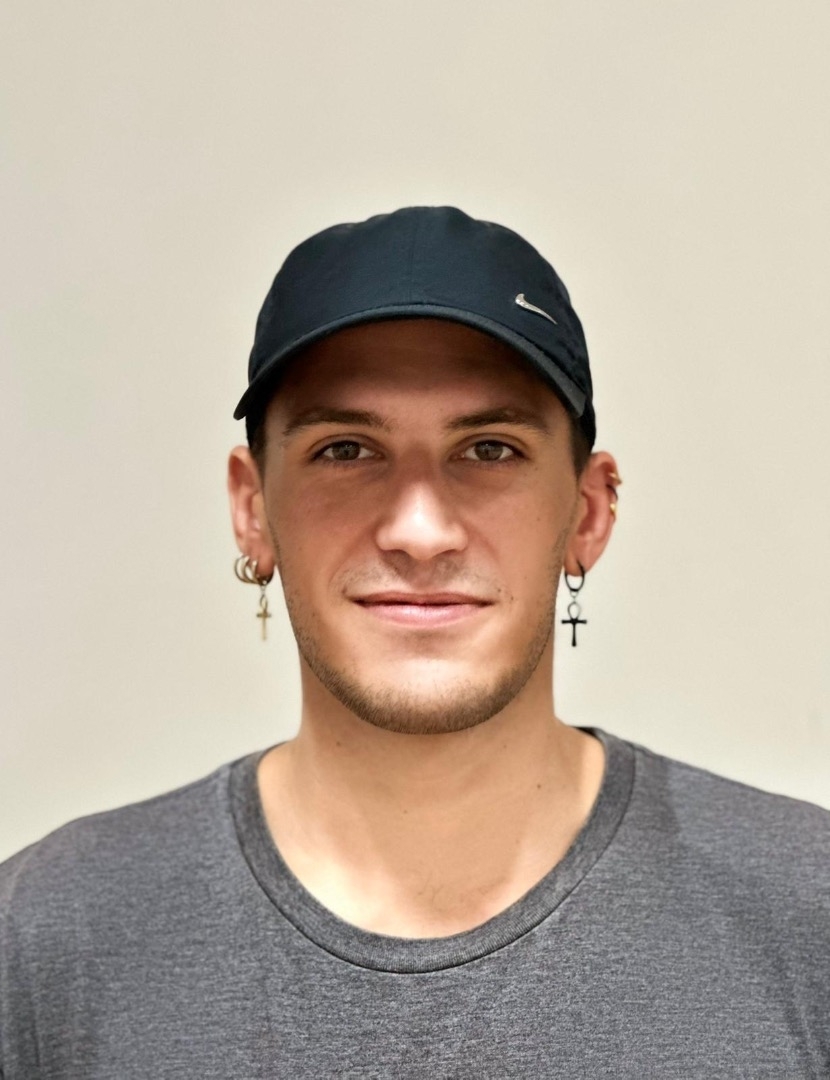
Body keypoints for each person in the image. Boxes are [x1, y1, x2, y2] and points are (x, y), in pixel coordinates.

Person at [0, 207, 827, 1078]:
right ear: (253, 510)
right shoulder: (47, 942)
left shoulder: (806, 914)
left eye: (490, 449)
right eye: (346, 450)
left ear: (588, 513)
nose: (421, 532)